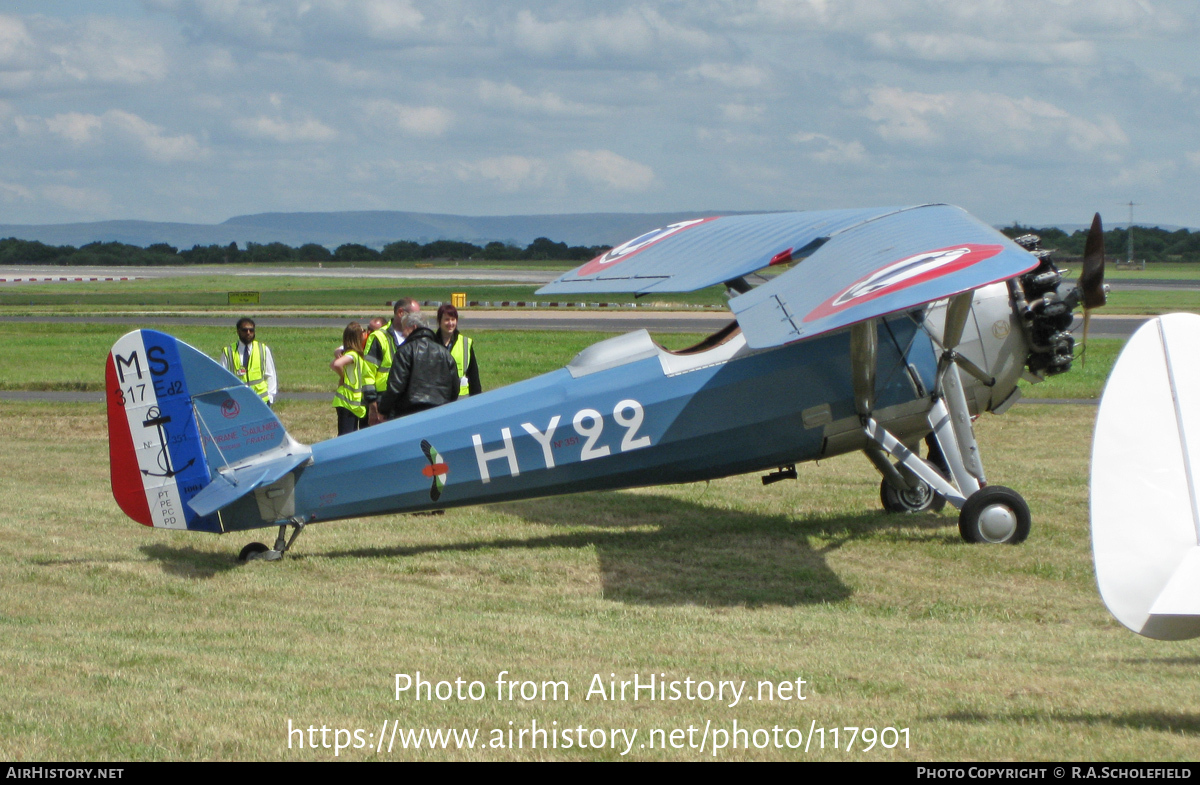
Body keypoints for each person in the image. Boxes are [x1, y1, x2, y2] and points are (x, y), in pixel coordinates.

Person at [378, 311, 459, 419]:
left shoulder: (405, 351)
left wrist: (383, 410)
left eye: (404, 329)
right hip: (439, 415)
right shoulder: (445, 354)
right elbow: (455, 389)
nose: (402, 334)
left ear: (413, 327)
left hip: (409, 416)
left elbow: (395, 387)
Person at [364, 298, 421, 426]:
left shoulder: (417, 337)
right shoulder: (380, 337)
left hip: (409, 401)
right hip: (383, 402)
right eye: (414, 315)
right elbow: (367, 374)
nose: (417, 320)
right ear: (401, 312)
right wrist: (373, 406)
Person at [220, 317, 276, 406]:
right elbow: (222, 378)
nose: (248, 333)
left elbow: (270, 375)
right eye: (245, 330)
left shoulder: (263, 349)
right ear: (238, 331)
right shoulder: (228, 352)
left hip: (260, 401)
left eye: (251, 330)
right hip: (237, 402)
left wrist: (270, 397)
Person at [435, 303, 481, 397]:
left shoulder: (465, 343)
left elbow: (473, 376)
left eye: (453, 319)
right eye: (447, 320)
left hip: (461, 397)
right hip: (438, 397)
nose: (450, 323)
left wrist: (477, 399)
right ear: (439, 321)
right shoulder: (431, 343)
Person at [331, 322, 368, 435]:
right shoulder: (353, 355)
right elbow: (336, 364)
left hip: (351, 403)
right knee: (345, 436)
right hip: (347, 401)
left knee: (351, 435)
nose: (365, 333)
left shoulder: (352, 353)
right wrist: (344, 376)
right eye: (363, 331)